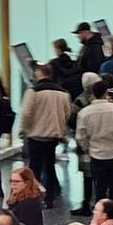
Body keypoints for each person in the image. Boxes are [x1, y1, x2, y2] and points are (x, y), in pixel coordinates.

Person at [74, 79, 113, 204]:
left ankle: (101, 213)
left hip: (97, 153)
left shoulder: (84, 113)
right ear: (106, 93)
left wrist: (87, 148)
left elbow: (80, 136)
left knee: (100, 186)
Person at [18, 62, 71, 208]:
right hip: (53, 136)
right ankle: (50, 198)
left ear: (39, 73)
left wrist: (22, 130)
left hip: (36, 135)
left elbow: (26, 113)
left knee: (34, 167)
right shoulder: (62, 93)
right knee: (49, 166)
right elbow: (67, 114)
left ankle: (33, 197)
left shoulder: (33, 92)